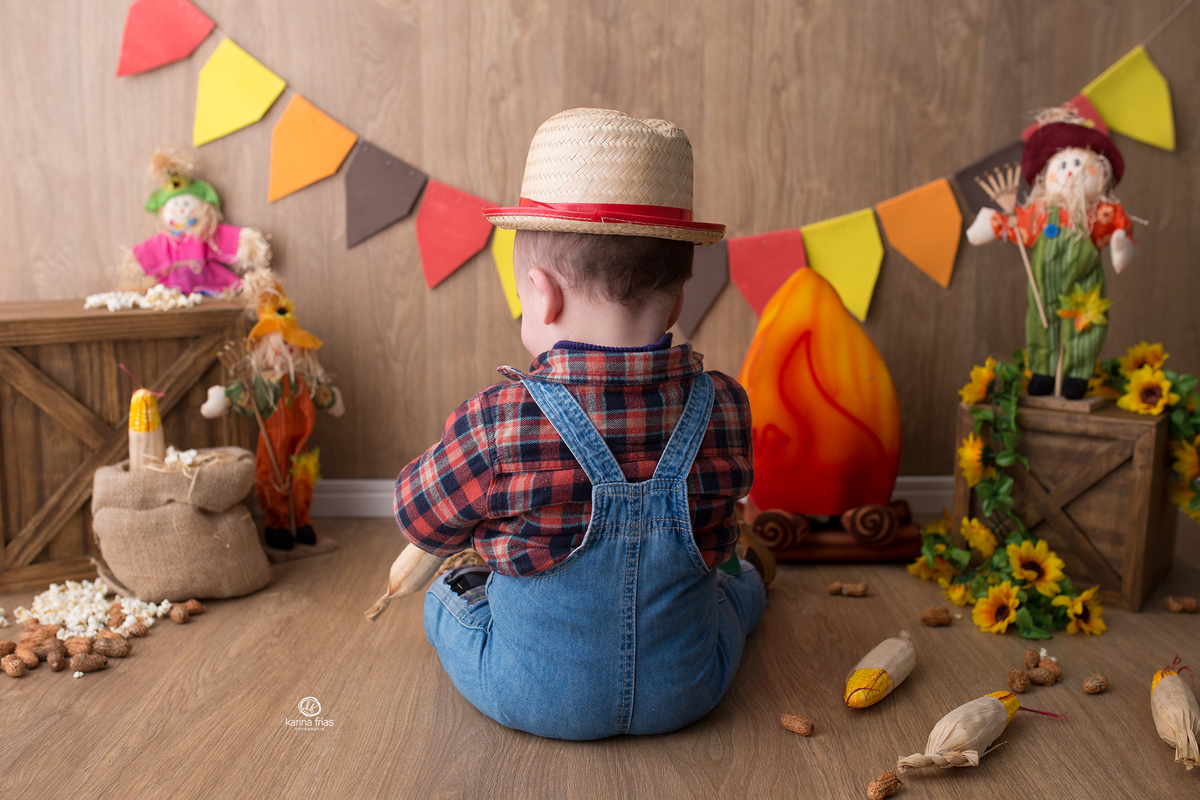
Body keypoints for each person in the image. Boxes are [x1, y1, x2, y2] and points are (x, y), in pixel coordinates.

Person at [392, 108, 770, 740]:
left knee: (447, 598)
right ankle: (758, 583)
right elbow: (723, 526)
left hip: (531, 697)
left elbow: (416, 515)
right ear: (679, 299)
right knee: (734, 589)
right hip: (690, 690)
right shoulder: (726, 406)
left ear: (541, 295)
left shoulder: (499, 421)